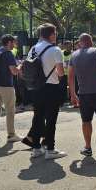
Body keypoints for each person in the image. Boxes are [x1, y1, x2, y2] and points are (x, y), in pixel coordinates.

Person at [22, 23, 67, 160]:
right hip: (51, 87)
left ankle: (36, 148)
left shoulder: (33, 49)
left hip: (36, 87)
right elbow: (60, 72)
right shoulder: (55, 50)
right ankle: (50, 149)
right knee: (51, 119)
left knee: (38, 117)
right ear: (52, 34)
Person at [0, 34, 22, 144]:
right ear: (9, 42)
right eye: (13, 42)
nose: (14, 45)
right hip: (6, 86)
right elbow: (14, 71)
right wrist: (21, 66)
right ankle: (11, 134)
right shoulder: (8, 54)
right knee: (10, 111)